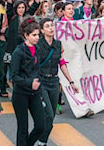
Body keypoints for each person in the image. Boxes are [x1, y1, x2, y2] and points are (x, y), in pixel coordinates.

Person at [36, 18, 79, 146]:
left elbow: (62, 63)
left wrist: (71, 82)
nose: (51, 28)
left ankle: (42, 140)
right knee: (48, 113)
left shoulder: (58, 45)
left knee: (51, 115)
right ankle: (41, 141)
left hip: (54, 82)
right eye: (47, 26)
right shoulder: (38, 45)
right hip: (41, 82)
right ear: (42, 30)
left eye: (52, 25)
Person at [10, 17, 45, 146]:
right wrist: (30, 83)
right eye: (34, 35)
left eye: (38, 35)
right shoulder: (18, 52)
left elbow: (38, 69)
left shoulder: (38, 50)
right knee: (23, 128)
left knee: (41, 125)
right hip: (21, 94)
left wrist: (39, 82)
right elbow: (14, 76)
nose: (37, 38)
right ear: (26, 35)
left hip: (35, 93)